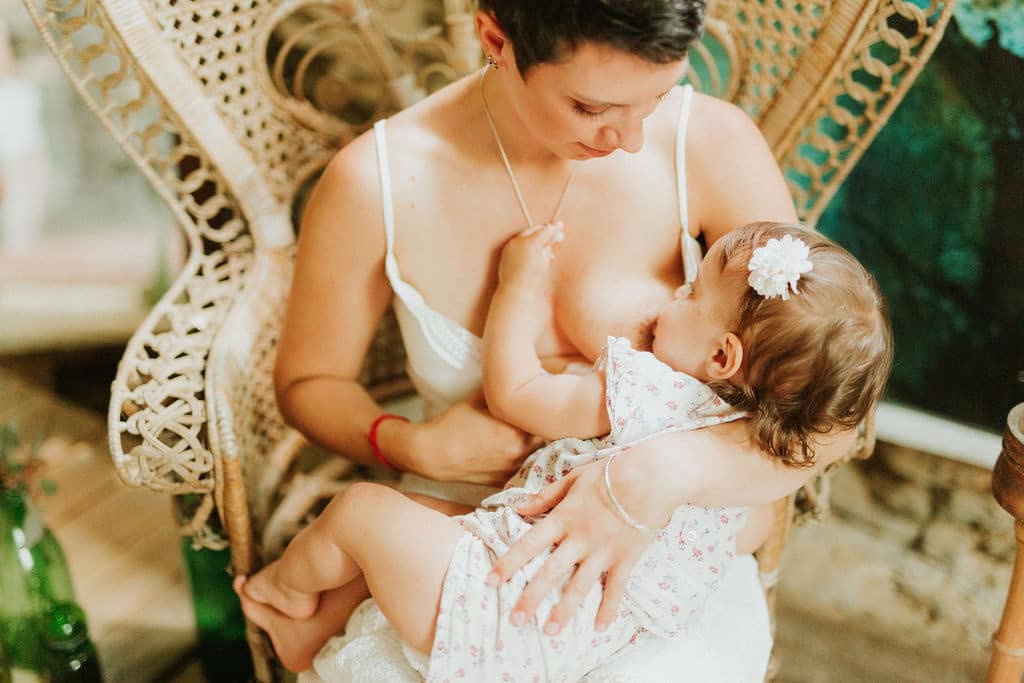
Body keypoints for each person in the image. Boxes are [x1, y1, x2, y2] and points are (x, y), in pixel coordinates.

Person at [238, 1, 865, 679]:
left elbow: (832, 416)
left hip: (661, 570)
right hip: (468, 545)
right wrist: (407, 440)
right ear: (496, 38)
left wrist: (653, 478)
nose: (627, 138)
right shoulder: (377, 182)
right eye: (592, 107)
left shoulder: (708, 146)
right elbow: (308, 382)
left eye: (657, 95)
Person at [235, 221, 892, 681]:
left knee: (361, 513)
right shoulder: (748, 467)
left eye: (690, 294)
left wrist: (517, 286)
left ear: (721, 355)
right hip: (565, 644)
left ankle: (282, 589)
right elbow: (746, 533)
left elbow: (517, 391)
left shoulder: (648, 391)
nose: (673, 294)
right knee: (420, 508)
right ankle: (309, 631)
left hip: (497, 611)